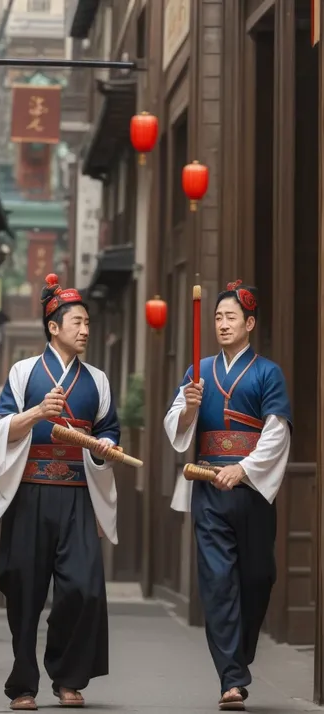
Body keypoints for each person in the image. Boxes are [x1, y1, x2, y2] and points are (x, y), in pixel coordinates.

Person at [0, 273, 121, 711]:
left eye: (87, 323)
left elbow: (108, 429)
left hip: (77, 495)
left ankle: (67, 676)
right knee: (25, 589)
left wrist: (107, 447)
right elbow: (0, 427)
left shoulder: (96, 379)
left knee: (83, 587)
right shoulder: (24, 372)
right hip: (31, 493)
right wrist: (38, 412)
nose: (84, 330)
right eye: (77, 322)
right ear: (53, 327)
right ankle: (24, 684)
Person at [164, 280, 292, 712]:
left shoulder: (267, 373)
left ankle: (239, 656)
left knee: (258, 578)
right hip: (208, 491)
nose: (221, 324)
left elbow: (276, 432)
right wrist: (189, 407)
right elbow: (177, 431)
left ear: (249, 323)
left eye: (230, 317)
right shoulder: (198, 371)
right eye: (217, 317)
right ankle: (232, 679)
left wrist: (243, 469)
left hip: (252, 490)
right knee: (217, 583)